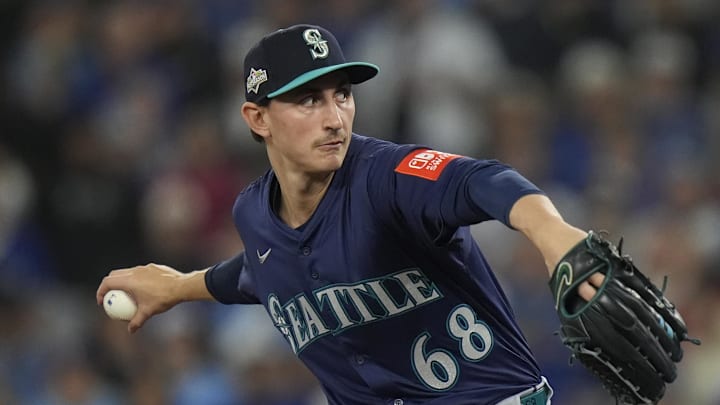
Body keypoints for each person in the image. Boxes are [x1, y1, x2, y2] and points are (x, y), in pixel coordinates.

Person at [97, 24, 604, 405]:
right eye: (308, 100)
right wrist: (181, 286)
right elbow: (264, 271)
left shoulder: (385, 177)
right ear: (257, 118)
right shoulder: (253, 213)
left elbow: (482, 181)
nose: (335, 117)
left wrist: (552, 233)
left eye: (342, 94)